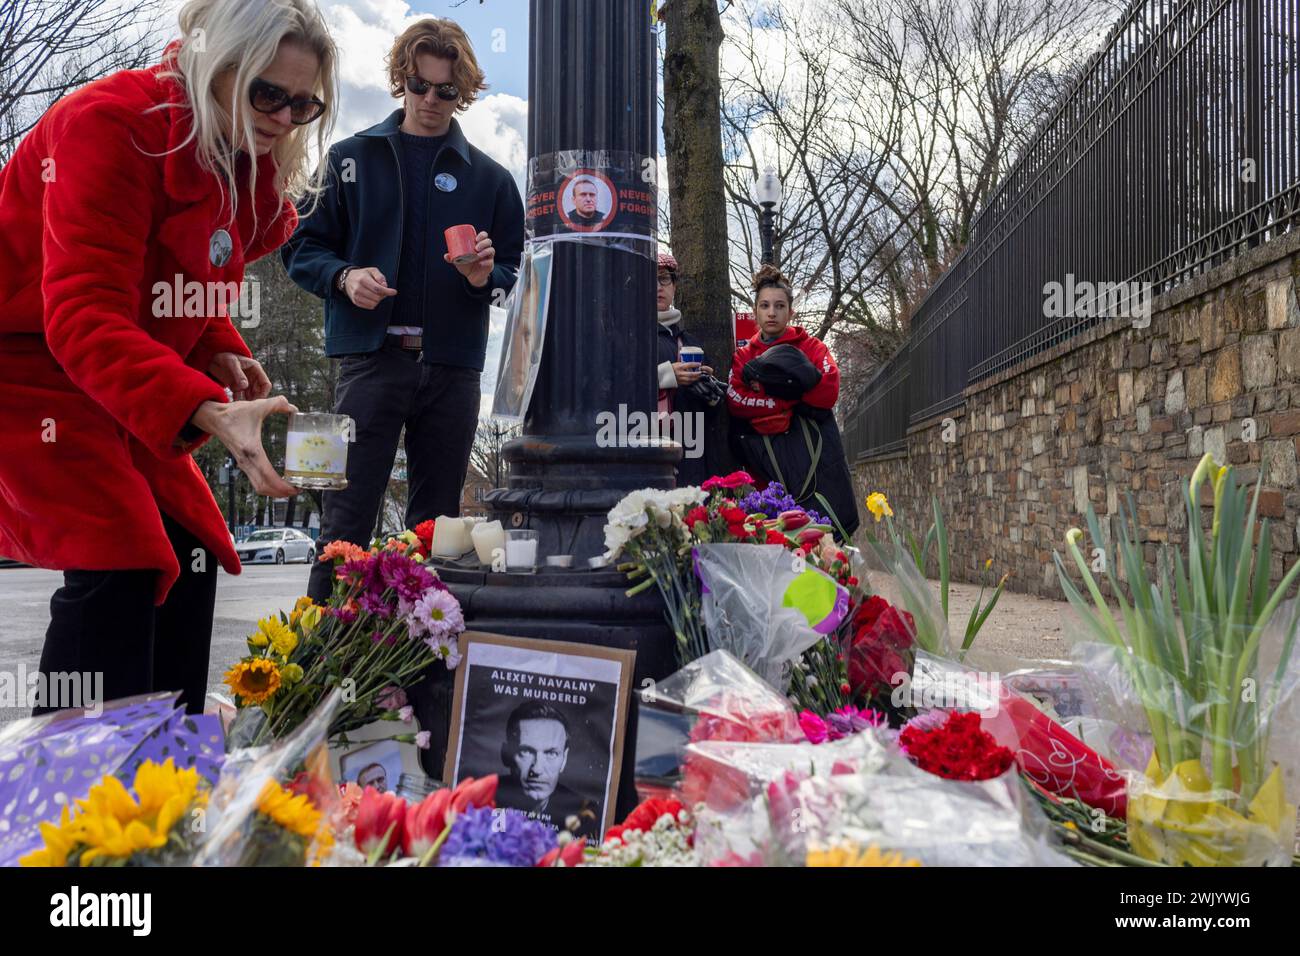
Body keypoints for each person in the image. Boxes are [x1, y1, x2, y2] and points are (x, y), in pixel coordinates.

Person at [0, 0, 338, 715]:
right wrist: (204, 407)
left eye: (304, 105)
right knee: (118, 553)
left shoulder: (232, 157)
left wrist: (215, 346)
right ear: (217, 64)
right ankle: (70, 798)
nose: (282, 118)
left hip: (119, 365)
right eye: (266, 92)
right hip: (25, 367)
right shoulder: (108, 124)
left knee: (187, 551)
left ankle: (169, 777)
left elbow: (166, 277)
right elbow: (83, 310)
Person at [282, 17, 524, 604]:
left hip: (453, 369)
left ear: (462, 92)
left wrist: (483, 276)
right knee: (345, 520)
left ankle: (420, 663)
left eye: (446, 90)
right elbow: (299, 245)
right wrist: (343, 276)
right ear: (401, 81)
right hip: (368, 362)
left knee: (439, 528)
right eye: (420, 85)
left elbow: (514, 283)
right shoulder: (349, 157)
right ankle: (319, 658)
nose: (431, 100)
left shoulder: (492, 180)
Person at [727, 265, 861, 536]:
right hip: (765, 473)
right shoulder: (744, 355)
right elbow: (736, 400)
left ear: (791, 311)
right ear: (755, 311)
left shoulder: (812, 347)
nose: (772, 312)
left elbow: (828, 391)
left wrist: (766, 394)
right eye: (765, 305)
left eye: (779, 305)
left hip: (813, 468)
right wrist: (787, 401)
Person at [655, 253, 720, 488]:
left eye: (664, 279)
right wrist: (665, 376)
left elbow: (711, 415)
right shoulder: (629, 337)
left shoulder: (690, 340)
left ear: (674, 286)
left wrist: (710, 389)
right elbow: (615, 384)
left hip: (692, 456)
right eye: (650, 279)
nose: (658, 287)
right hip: (649, 455)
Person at [496, 702, 600, 839]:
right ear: (506, 754)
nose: (537, 769)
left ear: (564, 759)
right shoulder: (481, 801)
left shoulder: (584, 814)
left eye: (551, 754)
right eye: (526, 751)